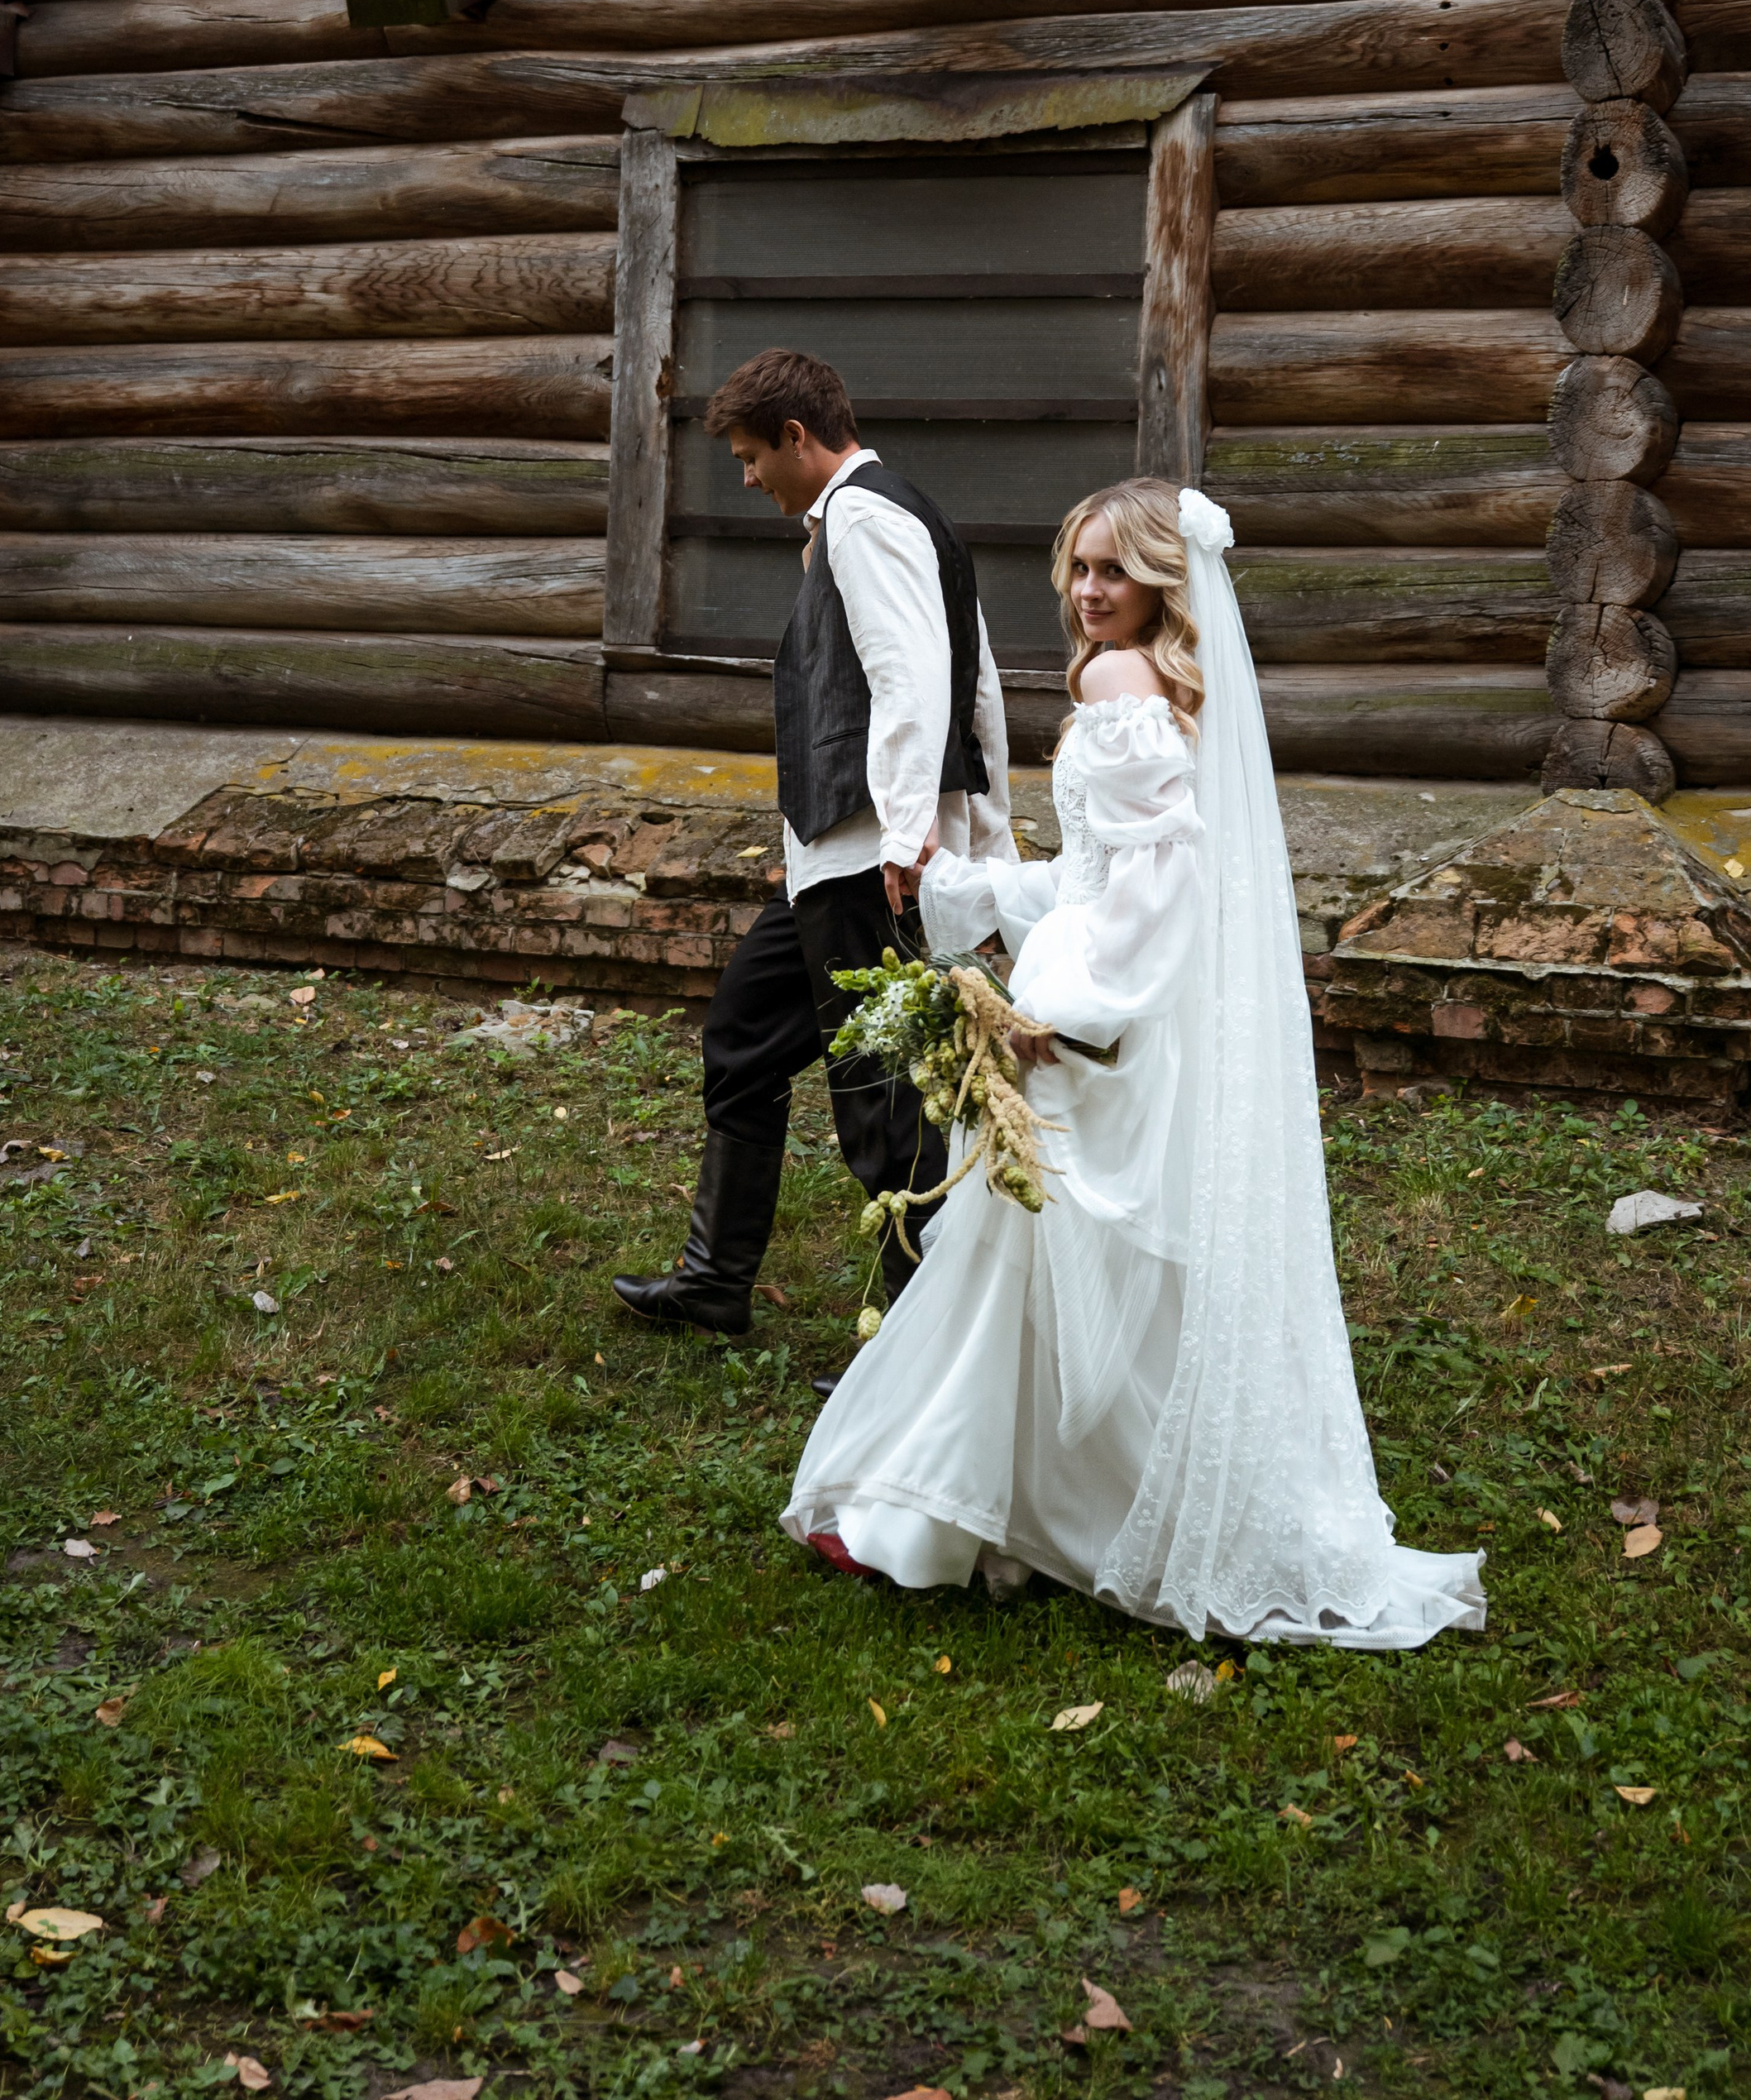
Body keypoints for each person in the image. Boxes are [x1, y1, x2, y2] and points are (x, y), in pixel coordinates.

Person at [780, 475, 1485, 1649]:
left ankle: (957, 1520)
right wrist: (966, 895)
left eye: (1114, 570)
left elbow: (1156, 890)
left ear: (1162, 580)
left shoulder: (1118, 683)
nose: (1089, 592)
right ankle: (1009, 1515)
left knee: (1034, 1260)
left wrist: (1053, 1010)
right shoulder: (1169, 689)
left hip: (1097, 1021)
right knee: (1055, 1269)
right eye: (1078, 567)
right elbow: (1113, 876)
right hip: (1136, 1011)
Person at [614, 347, 1015, 1342]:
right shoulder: (885, 512)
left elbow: (917, 680)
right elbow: (985, 693)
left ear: (799, 437)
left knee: (885, 1108)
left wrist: (916, 835)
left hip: (870, 861)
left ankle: (919, 1357)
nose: (746, 479)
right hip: (831, 861)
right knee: (743, 1041)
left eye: (752, 457)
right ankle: (715, 1280)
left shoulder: (866, 518)